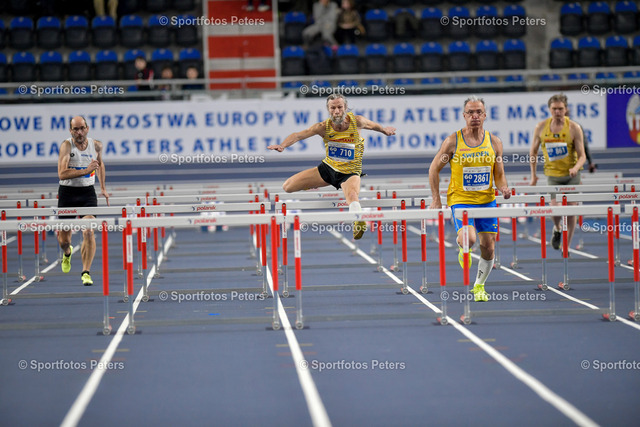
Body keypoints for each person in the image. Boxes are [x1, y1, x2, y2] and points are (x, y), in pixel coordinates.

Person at [267, 93, 396, 240]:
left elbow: (374, 126)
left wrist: (384, 130)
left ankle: (358, 221)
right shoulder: (323, 127)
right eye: (333, 108)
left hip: (350, 173)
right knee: (287, 186)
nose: (336, 111)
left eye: (339, 107)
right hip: (328, 169)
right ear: (328, 109)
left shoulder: (357, 121)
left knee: (352, 195)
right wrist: (283, 145)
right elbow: (298, 135)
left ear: (345, 108)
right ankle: (312, 184)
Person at [429, 96, 510, 302]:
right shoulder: (453, 141)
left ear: (485, 115)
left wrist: (503, 188)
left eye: (478, 112)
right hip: (461, 200)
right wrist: (436, 199)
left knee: (489, 248)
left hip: (487, 201)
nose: (475, 116)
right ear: (464, 116)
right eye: (470, 112)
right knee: (469, 239)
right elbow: (434, 169)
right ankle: (463, 247)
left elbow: (499, 174)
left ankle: (479, 286)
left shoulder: (495, 142)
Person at [530, 93, 586, 251]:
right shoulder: (541, 127)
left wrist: (575, 168)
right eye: (554, 109)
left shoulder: (574, 128)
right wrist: (533, 175)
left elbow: (582, 156)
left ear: (566, 109)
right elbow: (533, 152)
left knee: (571, 210)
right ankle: (557, 228)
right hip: (553, 175)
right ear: (549, 109)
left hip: (571, 175)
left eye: (560, 109)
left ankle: (566, 246)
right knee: (555, 209)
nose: (557, 112)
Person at [57, 116, 109, 286]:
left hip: (87, 194)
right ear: (70, 131)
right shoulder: (66, 146)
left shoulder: (96, 145)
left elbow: (100, 165)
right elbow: (62, 174)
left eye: (82, 128)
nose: (79, 132)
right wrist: (86, 170)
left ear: (87, 128)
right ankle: (67, 253)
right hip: (67, 194)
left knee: (88, 231)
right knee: (64, 241)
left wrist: (103, 188)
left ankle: (85, 272)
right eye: (75, 129)